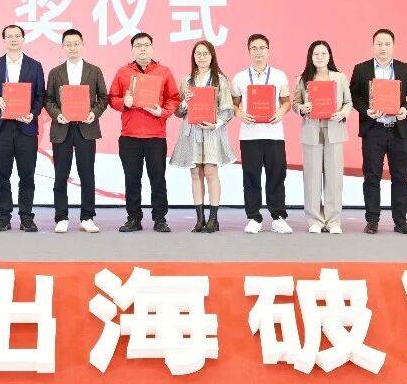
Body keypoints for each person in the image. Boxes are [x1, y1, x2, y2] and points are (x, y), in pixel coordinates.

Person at [349, 28, 407, 235]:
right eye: (379, 44)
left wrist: (405, 109)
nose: (383, 48)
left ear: (393, 46)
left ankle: (401, 221)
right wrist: (366, 110)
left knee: (401, 177)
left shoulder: (404, 68)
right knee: (372, 177)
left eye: (387, 44)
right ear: (373, 46)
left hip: (399, 131)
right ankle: (372, 221)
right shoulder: (361, 69)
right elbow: (353, 96)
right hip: (373, 130)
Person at [108, 32, 182, 232]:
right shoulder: (123, 72)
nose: (142, 48)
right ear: (132, 49)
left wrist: (162, 112)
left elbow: (174, 98)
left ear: (152, 48)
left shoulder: (164, 72)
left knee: (158, 179)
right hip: (129, 136)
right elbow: (112, 98)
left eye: (146, 45)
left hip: (155, 136)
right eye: (138, 45)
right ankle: (134, 218)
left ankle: (160, 218)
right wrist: (124, 102)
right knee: (132, 179)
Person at [0, 24, 47, 233]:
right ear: (4, 40)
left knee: (27, 175)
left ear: (23, 39)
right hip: (1, 128)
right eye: (9, 36)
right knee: (1, 175)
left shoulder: (34, 65)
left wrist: (33, 114)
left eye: (17, 36)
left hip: (26, 128)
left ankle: (26, 217)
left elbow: (40, 96)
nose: (13, 39)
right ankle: (3, 217)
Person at [43, 28, 107, 233]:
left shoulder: (94, 71)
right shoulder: (55, 72)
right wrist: (57, 114)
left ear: (82, 45)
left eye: (76, 43)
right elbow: (48, 99)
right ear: (63, 47)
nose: (72, 48)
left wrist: (93, 113)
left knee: (87, 174)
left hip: (86, 128)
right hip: (62, 128)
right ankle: (61, 217)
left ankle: (87, 217)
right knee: (60, 175)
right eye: (68, 44)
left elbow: (103, 98)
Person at [170, 40, 236, 234]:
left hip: (212, 131)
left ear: (212, 56)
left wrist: (217, 123)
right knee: (195, 173)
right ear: (193, 57)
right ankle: (200, 219)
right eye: (198, 53)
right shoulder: (187, 80)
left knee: (210, 172)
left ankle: (213, 219)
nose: (201, 57)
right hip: (191, 132)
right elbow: (178, 111)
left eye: (205, 53)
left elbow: (228, 108)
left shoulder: (220, 80)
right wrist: (185, 101)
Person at [231, 34, 293, 234]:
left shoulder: (279, 76)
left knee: (277, 175)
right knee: (251, 177)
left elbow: (286, 102)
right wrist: (240, 114)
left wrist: (280, 112)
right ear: (249, 51)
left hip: (274, 134)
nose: (258, 52)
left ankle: (278, 217)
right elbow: (233, 104)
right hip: (249, 135)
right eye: (254, 48)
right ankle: (254, 217)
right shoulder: (240, 77)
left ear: (268, 50)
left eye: (262, 48)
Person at [292, 40, 352, 234]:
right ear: (311, 57)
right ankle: (315, 220)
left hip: (334, 130)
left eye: (323, 53)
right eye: (316, 54)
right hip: (312, 130)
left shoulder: (340, 77)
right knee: (312, 176)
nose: (320, 57)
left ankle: (333, 220)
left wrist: (342, 113)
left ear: (329, 56)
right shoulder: (303, 79)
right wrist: (302, 108)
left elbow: (348, 102)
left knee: (334, 177)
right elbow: (295, 103)